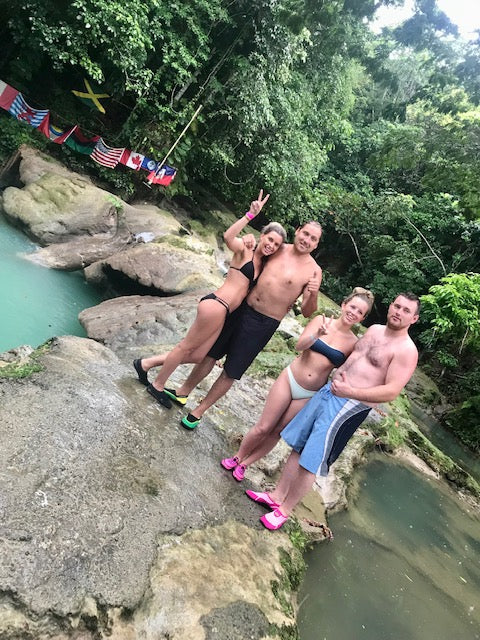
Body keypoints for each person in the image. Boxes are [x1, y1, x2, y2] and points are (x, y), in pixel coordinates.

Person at [245, 292, 420, 530]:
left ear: (414, 319)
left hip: (349, 406)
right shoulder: (374, 330)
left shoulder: (406, 350)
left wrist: (350, 391)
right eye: (397, 306)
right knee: (299, 446)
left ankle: (285, 510)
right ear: (390, 307)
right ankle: (276, 496)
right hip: (328, 392)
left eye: (406, 311)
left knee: (313, 458)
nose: (399, 312)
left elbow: (390, 391)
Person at [133, 190, 287, 408]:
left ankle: (145, 364)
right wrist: (249, 216)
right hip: (217, 304)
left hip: (223, 312)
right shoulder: (246, 250)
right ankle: (158, 385)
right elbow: (227, 237)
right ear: (263, 236)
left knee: (199, 356)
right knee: (185, 348)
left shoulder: (264, 265)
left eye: (277, 244)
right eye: (270, 239)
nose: (271, 245)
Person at [167, 221, 323, 429]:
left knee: (232, 369)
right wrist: (249, 239)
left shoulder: (313, 271)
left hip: (264, 323)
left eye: (313, 239)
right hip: (241, 306)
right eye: (305, 234)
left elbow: (307, 312)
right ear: (298, 231)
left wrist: (312, 294)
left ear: (316, 244)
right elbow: (252, 256)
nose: (307, 240)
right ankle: (183, 391)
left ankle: (198, 411)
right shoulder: (277, 248)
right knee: (211, 354)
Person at [221, 287, 374, 481]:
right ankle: (237, 457)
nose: (354, 313)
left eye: (360, 312)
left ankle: (245, 465)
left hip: (309, 392)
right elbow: (299, 346)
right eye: (352, 307)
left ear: (362, 318)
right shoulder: (321, 321)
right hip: (291, 378)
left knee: (277, 432)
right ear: (344, 305)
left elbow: (346, 370)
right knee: (264, 426)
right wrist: (316, 335)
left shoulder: (353, 344)